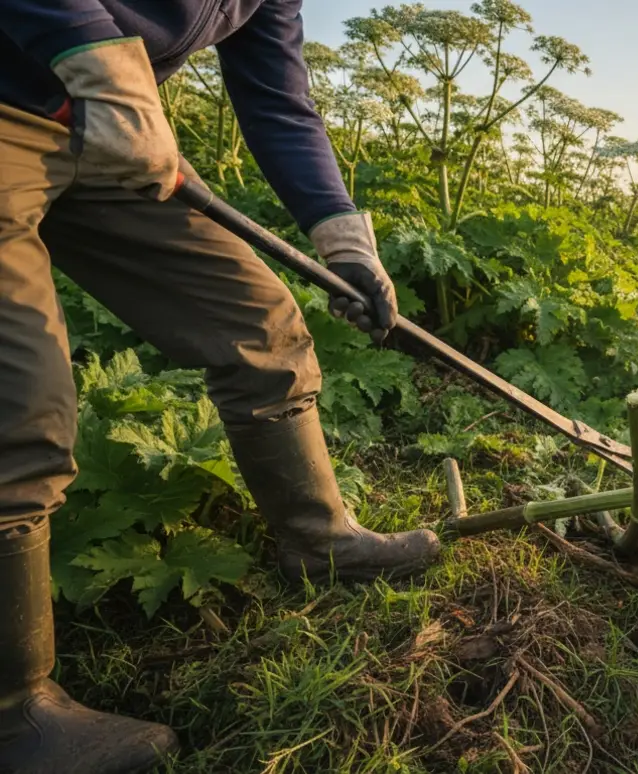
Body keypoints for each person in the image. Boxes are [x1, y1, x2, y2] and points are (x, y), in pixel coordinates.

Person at [0, 3, 443, 772]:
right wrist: (100, 66)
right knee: (20, 398)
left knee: (258, 320)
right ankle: (13, 710)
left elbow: (275, 94)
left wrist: (340, 233)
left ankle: (318, 540)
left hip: (102, 128)